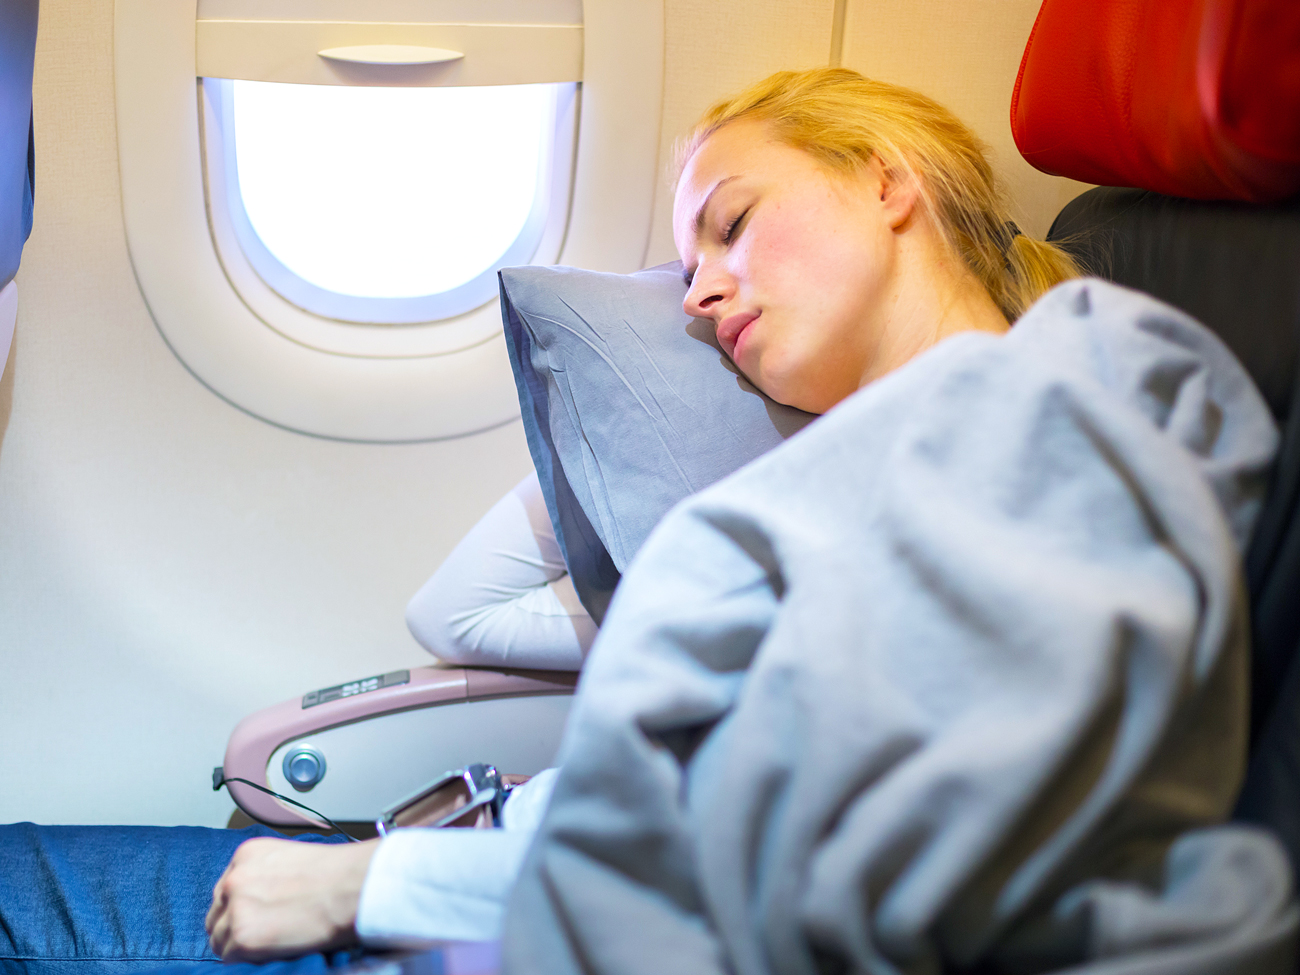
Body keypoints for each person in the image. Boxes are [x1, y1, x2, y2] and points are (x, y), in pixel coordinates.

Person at [5, 66, 1257, 973]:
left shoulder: (1062, 402)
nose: (701, 294)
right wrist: (614, 401)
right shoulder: (854, 454)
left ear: (887, 182)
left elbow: (862, 860)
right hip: (509, 883)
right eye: (685, 272)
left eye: (733, 223)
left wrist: (371, 881)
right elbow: (463, 615)